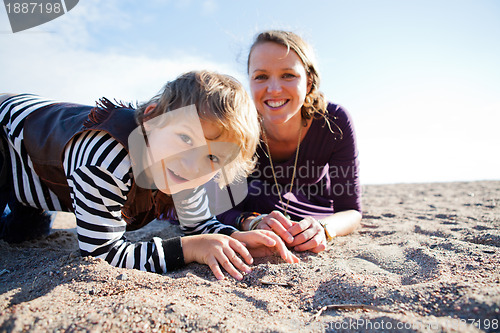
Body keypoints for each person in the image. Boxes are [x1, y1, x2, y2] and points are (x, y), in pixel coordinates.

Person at [0, 70, 298, 281]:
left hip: (37, 177)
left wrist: (234, 236)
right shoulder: (107, 157)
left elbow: (198, 224)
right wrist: (192, 249)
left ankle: (25, 209)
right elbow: (101, 252)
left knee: (21, 233)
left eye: (211, 157)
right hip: (7, 134)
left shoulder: (184, 167)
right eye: (184, 138)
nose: (191, 164)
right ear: (152, 117)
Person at [218, 31, 362, 253]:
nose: (274, 89)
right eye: (261, 77)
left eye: (288, 75)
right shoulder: (239, 125)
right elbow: (217, 205)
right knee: (257, 192)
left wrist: (323, 229)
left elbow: (351, 211)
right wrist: (251, 222)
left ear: (309, 82)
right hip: (256, 206)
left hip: (313, 210)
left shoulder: (334, 122)